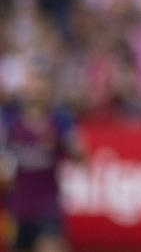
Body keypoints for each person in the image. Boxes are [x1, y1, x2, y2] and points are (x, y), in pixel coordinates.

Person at [0, 63, 86, 252]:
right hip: (17, 209)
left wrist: (71, 146)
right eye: (32, 82)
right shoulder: (9, 119)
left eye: (41, 83)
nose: (36, 88)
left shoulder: (60, 120)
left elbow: (81, 159)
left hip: (47, 207)